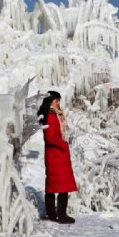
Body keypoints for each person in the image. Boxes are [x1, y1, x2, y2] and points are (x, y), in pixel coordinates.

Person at [37, 91, 77, 224]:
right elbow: (50, 137)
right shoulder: (52, 116)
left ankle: (52, 214)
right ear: (50, 101)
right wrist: (64, 145)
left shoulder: (52, 115)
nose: (59, 103)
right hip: (57, 155)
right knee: (62, 186)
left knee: (53, 186)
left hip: (55, 155)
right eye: (56, 100)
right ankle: (61, 215)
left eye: (59, 100)